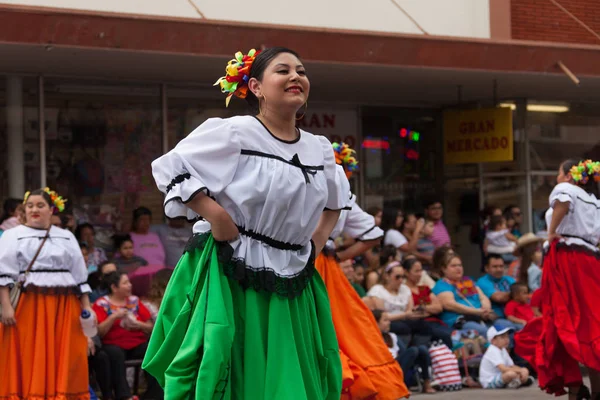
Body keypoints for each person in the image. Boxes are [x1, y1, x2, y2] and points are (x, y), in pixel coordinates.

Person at [143, 47, 350, 399]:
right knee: (232, 360)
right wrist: (217, 215)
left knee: (291, 369)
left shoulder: (318, 148)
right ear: (255, 86)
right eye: (282, 71)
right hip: (232, 265)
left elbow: (336, 201)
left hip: (293, 272)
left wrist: (316, 241)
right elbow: (170, 167)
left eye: (301, 71)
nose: (296, 77)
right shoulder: (237, 132)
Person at [314, 144, 409, 400]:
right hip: (325, 264)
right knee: (344, 324)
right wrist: (339, 255)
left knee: (316, 323)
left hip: (304, 262)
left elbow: (374, 234)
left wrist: (339, 255)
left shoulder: (310, 189)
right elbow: (373, 234)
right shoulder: (344, 197)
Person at [515, 159, 600, 400]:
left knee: (564, 319)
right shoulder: (595, 201)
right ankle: (592, 390)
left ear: (569, 174)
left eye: (558, 171)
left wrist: (551, 232)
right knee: (589, 323)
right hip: (590, 259)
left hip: (568, 256)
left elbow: (563, 202)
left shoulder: (567, 189)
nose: (556, 176)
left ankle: (576, 387)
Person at [0, 188, 92, 400]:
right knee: (30, 353)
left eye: (40, 205)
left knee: (66, 354)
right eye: (30, 206)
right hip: (30, 304)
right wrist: (5, 306)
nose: (34, 209)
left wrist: (86, 308)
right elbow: (3, 274)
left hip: (65, 305)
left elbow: (80, 278)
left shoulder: (66, 236)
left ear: (51, 210)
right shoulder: (13, 235)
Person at [93, 271, 162, 400]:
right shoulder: (101, 304)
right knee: (114, 353)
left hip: (135, 343)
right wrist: (113, 317)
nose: (130, 285)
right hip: (113, 344)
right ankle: (124, 396)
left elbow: (151, 327)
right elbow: (100, 332)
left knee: (153, 350)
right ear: (114, 287)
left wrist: (138, 324)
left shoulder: (134, 301)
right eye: (125, 283)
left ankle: (155, 395)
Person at [367, 262, 432, 346]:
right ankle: (404, 353)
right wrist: (405, 315)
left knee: (425, 326)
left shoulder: (405, 289)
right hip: (388, 321)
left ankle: (420, 350)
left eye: (403, 277)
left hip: (404, 319)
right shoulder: (377, 290)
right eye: (397, 277)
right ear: (387, 276)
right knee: (402, 328)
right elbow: (383, 316)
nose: (401, 280)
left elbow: (410, 310)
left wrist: (416, 313)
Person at [373, 310, 436, 394]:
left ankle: (426, 382)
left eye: (388, 320)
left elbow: (404, 352)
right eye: (385, 320)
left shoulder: (392, 336)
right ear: (375, 323)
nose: (389, 323)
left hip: (399, 366)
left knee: (422, 349)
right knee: (413, 350)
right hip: (386, 366)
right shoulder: (372, 339)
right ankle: (399, 385)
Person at [432, 253, 495, 337]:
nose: (458, 268)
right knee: (485, 332)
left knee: (504, 325)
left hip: (481, 316)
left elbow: (483, 297)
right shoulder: (442, 284)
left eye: (460, 265)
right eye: (453, 266)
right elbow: (450, 305)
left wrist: (486, 310)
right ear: (444, 269)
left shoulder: (468, 281)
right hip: (460, 321)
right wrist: (477, 312)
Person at [403, 258, 453, 349]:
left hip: (436, 322)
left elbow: (439, 307)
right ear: (406, 272)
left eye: (421, 270)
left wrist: (422, 307)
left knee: (455, 334)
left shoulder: (424, 288)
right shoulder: (404, 290)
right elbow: (411, 313)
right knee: (447, 336)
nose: (420, 274)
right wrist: (430, 309)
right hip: (420, 326)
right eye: (416, 271)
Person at [476, 254, 521, 331]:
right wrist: (515, 293)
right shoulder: (482, 281)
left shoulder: (509, 279)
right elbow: (498, 298)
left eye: (501, 266)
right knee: (514, 327)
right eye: (495, 267)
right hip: (496, 319)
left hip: (515, 316)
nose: (499, 269)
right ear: (487, 268)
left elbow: (521, 295)